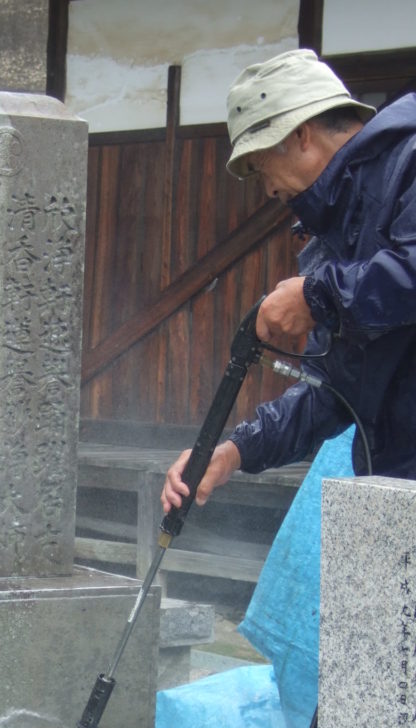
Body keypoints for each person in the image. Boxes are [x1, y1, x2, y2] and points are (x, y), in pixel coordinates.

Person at [161, 48, 416, 517]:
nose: (269, 190)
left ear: (299, 135)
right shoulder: (331, 240)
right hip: (394, 495)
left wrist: (318, 296)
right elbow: (333, 391)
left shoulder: (410, 160)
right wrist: (232, 453)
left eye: (260, 168)